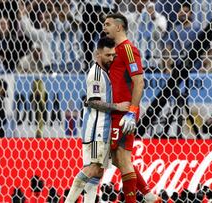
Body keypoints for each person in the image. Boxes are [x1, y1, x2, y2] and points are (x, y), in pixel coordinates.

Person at [103, 13, 161, 203]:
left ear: (119, 27)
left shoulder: (128, 49)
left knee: (123, 158)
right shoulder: (114, 51)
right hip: (115, 112)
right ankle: (150, 197)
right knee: (117, 159)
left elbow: (139, 82)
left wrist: (132, 111)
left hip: (124, 113)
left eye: (108, 24)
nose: (104, 27)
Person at [65, 37, 130, 203]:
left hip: (102, 130)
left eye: (113, 55)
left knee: (98, 173)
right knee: (93, 168)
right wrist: (118, 107)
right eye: (107, 55)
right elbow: (93, 101)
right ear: (97, 54)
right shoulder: (95, 74)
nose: (111, 58)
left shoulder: (104, 72)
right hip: (97, 131)